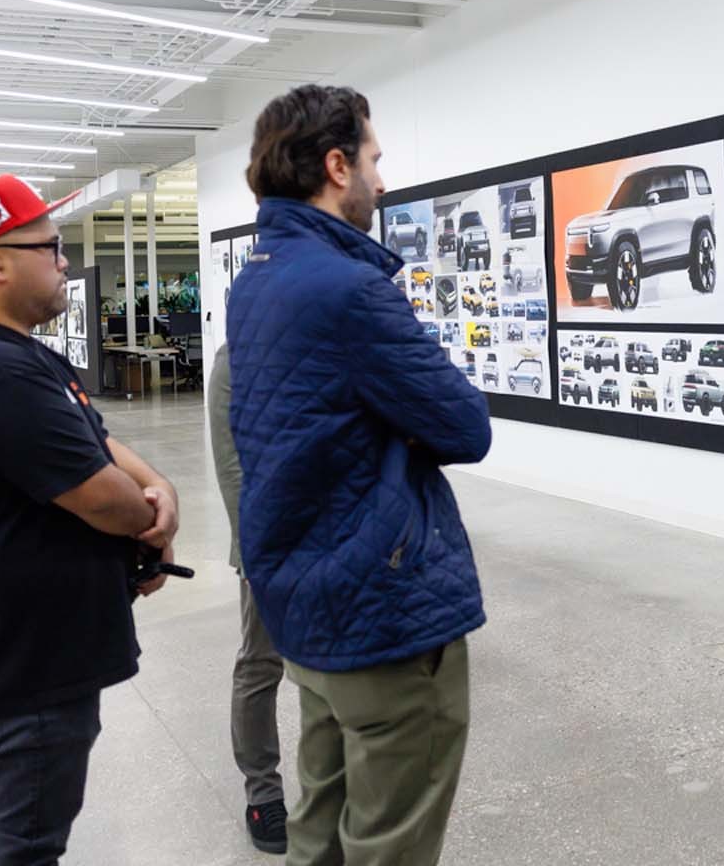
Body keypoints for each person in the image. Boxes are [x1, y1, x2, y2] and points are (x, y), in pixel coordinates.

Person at [228, 84, 491, 866]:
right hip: (382, 609)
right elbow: (465, 426)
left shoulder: (257, 280)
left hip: (305, 600)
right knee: (390, 841)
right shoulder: (349, 290)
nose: (385, 179)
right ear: (337, 165)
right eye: (375, 159)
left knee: (320, 824)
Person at [0, 175, 181, 866]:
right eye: (51, 247)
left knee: (12, 826)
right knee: (21, 844)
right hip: (27, 671)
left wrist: (157, 483)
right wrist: (142, 515)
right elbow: (102, 498)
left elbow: (92, 438)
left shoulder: (10, 354)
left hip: (33, 656)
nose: (64, 262)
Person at [209, 342, 289, 854]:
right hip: (272, 538)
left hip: (342, 534)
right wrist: (256, 548)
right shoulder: (238, 354)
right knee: (262, 662)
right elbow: (231, 463)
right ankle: (263, 792)